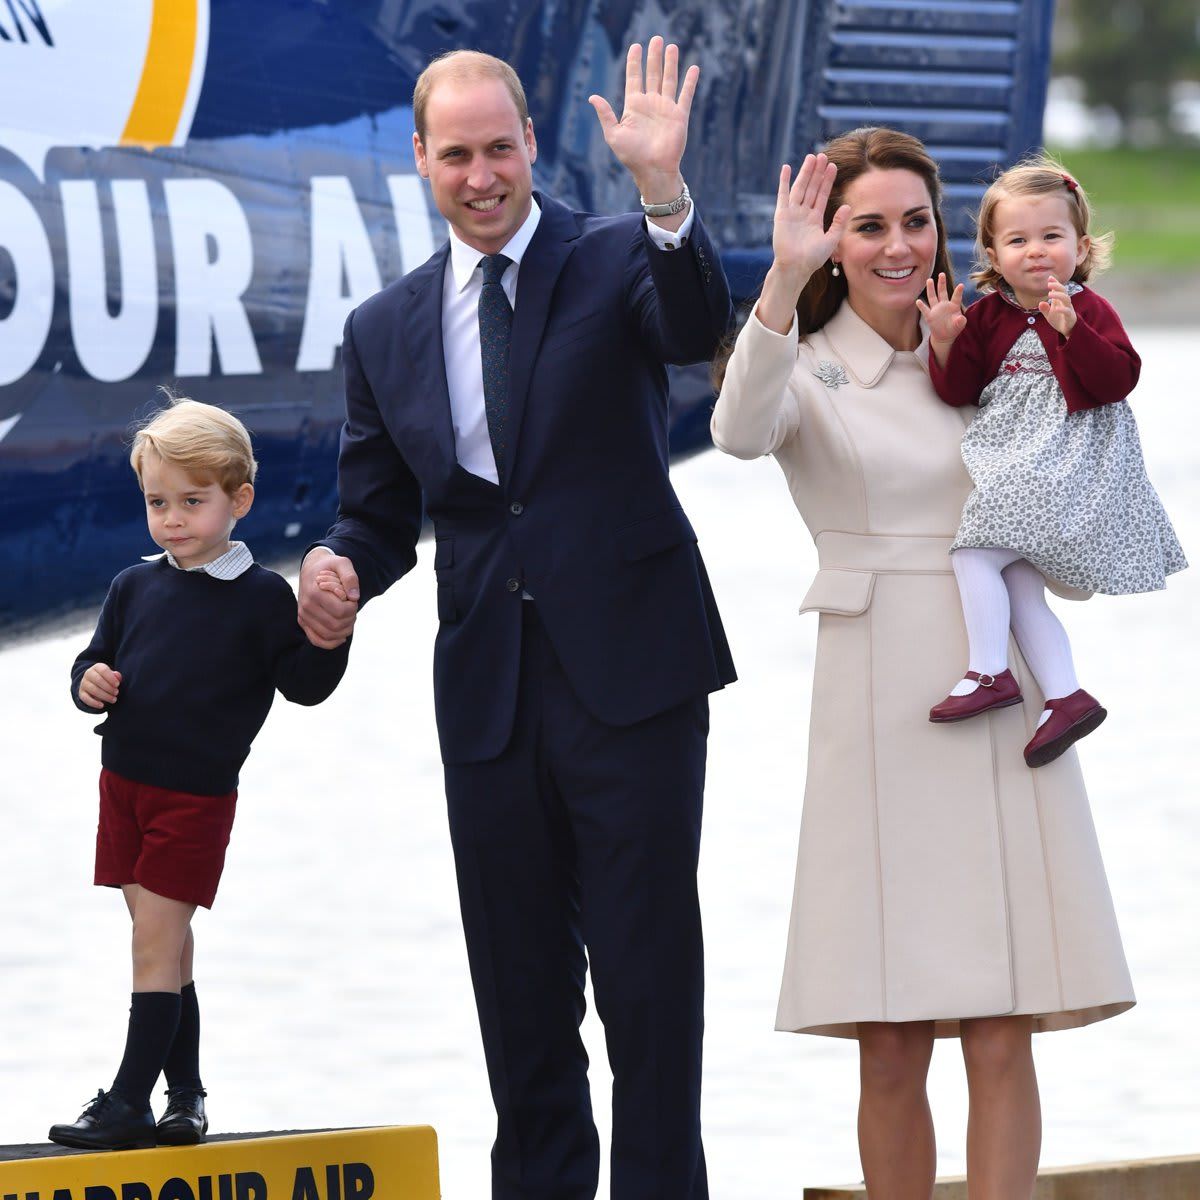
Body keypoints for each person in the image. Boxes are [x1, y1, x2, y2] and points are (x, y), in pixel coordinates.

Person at [297, 41, 734, 1200]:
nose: (482, 174)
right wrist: (341, 571)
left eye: (501, 149)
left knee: (646, 984)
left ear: (534, 145)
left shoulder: (610, 254)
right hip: (488, 691)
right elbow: (379, 516)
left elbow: (692, 327)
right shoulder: (382, 327)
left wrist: (663, 189)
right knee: (519, 992)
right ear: (421, 160)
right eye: (458, 155)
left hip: (633, 673)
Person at [710, 129, 1134, 1199]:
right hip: (876, 697)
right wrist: (783, 275)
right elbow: (738, 431)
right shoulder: (802, 363)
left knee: (1002, 1024)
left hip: (1006, 701)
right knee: (889, 1038)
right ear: (833, 243)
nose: (898, 246)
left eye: (915, 222)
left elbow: (1068, 503)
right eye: (868, 226)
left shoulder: (1009, 351)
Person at [53, 398, 349, 1152]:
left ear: (239, 500)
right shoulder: (133, 584)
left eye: (193, 500)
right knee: (171, 950)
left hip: (193, 798)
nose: (173, 518)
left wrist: (331, 635)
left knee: (153, 947)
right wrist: (89, 680)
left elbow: (304, 684)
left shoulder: (260, 598)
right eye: (158, 502)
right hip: (122, 786)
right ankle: (184, 1099)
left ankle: (126, 1102)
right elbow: (94, 659)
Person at [918, 154, 1185, 765]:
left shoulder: (1088, 308)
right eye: (1017, 239)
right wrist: (943, 338)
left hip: (1067, 467)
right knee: (1017, 580)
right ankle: (1064, 695)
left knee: (974, 550)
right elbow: (958, 391)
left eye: (1051, 236)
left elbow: (1117, 381)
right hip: (1017, 463)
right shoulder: (987, 315)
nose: (1036, 251)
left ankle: (989, 672)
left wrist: (1070, 331)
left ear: (1081, 245)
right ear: (991, 252)